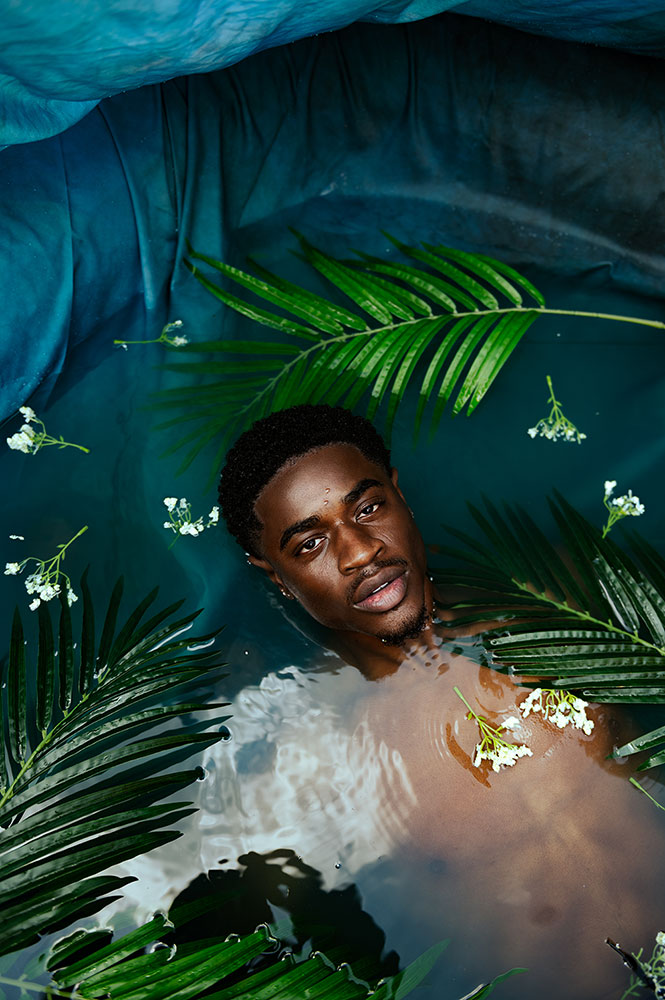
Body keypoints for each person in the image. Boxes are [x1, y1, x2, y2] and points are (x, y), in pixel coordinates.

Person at [218, 403, 665, 999]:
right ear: (273, 573)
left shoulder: (556, 598)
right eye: (311, 543)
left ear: (400, 495)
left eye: (368, 508)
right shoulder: (315, 749)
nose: (358, 552)